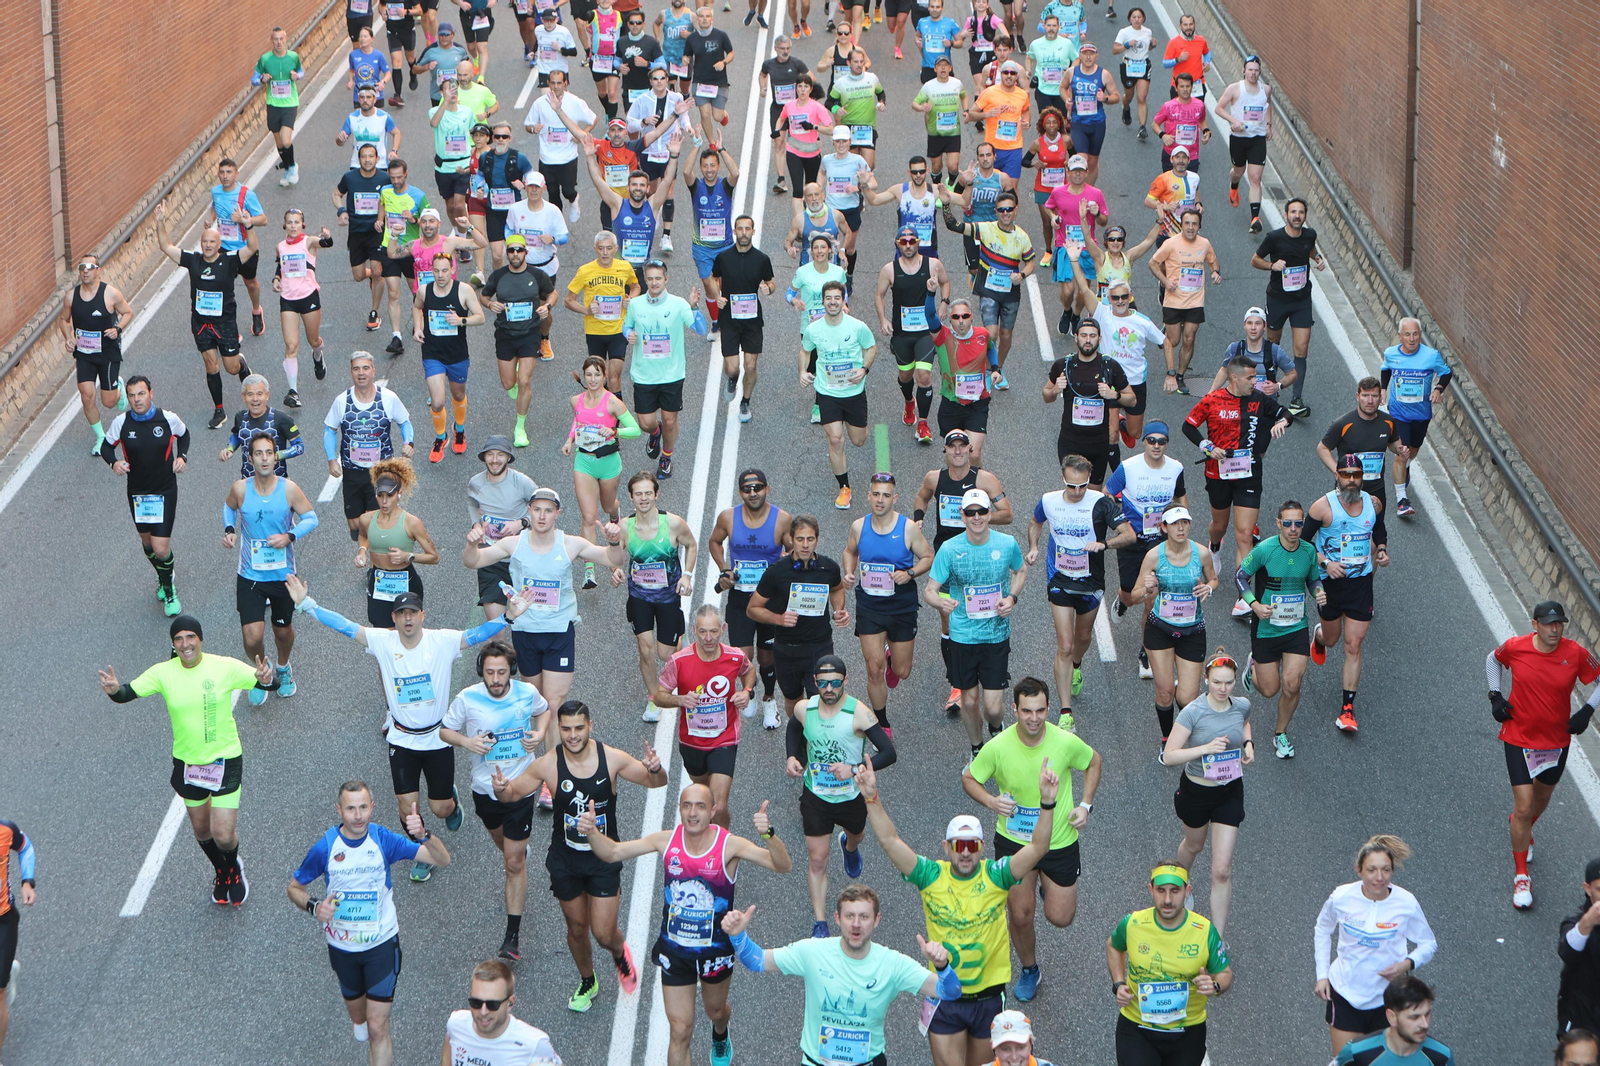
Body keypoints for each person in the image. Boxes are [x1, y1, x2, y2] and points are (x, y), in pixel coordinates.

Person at [287, 576, 518, 874]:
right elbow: (345, 626)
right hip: (402, 739)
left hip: (437, 738)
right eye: (401, 614)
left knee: (441, 808)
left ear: (422, 615)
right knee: (408, 808)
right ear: (394, 619)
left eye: (413, 612)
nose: (407, 618)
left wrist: (508, 617)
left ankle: (450, 799)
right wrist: (307, 604)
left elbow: (477, 635)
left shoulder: (442, 641)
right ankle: (422, 852)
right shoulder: (382, 641)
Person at [863, 757, 1057, 1064]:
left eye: (972, 845)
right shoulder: (930, 875)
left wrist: (1047, 803)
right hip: (944, 996)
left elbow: (1038, 848)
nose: (965, 853)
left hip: (987, 997)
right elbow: (889, 841)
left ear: (982, 847)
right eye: (958, 845)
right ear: (946, 847)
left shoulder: (997, 874)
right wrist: (871, 797)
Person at [583, 785, 791, 1066]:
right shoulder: (667, 840)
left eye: (700, 806)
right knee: (680, 1030)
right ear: (680, 809)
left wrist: (768, 834)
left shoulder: (730, 846)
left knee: (715, 1011)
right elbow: (613, 852)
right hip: (675, 951)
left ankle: (720, 1031)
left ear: (713, 810)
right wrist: (592, 833)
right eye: (687, 806)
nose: (693, 813)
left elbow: (783, 865)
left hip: (715, 952)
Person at [490, 700, 668, 1010]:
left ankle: (618, 952)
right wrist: (500, 788)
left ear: (590, 726)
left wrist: (656, 769)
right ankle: (588, 980)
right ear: (559, 729)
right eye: (566, 729)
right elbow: (513, 793)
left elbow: (657, 782)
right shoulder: (548, 764)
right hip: (566, 859)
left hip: (604, 857)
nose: (573, 735)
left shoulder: (611, 758)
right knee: (576, 927)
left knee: (603, 933)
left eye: (579, 728)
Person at [98, 614, 278, 905]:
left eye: (190, 637)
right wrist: (114, 691)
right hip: (188, 764)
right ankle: (223, 870)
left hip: (225, 760)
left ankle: (234, 868)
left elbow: (268, 682)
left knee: (223, 833)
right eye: (179, 639)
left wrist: (267, 679)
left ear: (200, 639)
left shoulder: (223, 667)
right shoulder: (163, 672)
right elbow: (127, 693)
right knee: (202, 831)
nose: (185, 644)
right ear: (174, 644)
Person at [288, 780, 451, 1064]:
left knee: (377, 1027)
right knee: (360, 1018)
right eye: (351, 809)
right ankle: (359, 1020)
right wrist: (314, 907)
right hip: (343, 948)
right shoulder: (326, 847)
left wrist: (424, 835)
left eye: (363, 807)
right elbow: (294, 888)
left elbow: (442, 859)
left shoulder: (383, 839)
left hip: (382, 944)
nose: (358, 815)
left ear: (372, 808)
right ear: (339, 810)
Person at [962, 677, 1100, 1002]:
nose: (1033, 718)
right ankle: (1029, 969)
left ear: (1049, 709)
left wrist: (1085, 805)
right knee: (1020, 914)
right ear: (1015, 709)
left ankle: (1045, 884)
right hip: (1014, 841)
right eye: (1026, 711)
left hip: (1058, 840)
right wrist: (991, 802)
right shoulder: (998, 747)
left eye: (1039, 711)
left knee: (1060, 917)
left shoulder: (1064, 742)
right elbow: (969, 778)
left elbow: (1094, 761)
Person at [720, 885, 965, 1065]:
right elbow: (756, 961)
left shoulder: (893, 963)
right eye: (849, 916)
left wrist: (942, 966)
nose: (856, 924)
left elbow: (950, 992)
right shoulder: (812, 952)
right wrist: (738, 935)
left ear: (876, 920)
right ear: (837, 919)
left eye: (864, 917)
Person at [465, 488, 624, 712]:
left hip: (558, 632)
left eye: (548, 511)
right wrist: (472, 545)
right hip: (525, 632)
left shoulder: (571, 544)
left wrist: (614, 543)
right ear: (529, 510)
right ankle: (540, 736)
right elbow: (473, 561)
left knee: (554, 703)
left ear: (557, 513)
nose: (541, 516)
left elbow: (612, 559)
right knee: (537, 704)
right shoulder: (513, 544)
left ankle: (553, 736)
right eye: (537, 510)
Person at [440, 641, 551, 960]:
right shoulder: (468, 698)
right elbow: (445, 731)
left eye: (502, 672)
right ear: (481, 672)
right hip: (484, 789)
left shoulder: (526, 693)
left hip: (521, 786)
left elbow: (544, 711)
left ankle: (511, 938)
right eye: (490, 672)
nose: (496, 679)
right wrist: (467, 742)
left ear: (511, 670)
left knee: (513, 862)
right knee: (502, 844)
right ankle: (517, 849)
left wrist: (539, 734)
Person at [1488, 600, 1600, 909]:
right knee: (1524, 807)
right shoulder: (1516, 647)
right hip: (1518, 735)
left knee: (1542, 798)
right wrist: (1495, 695)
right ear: (1535, 624)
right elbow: (1492, 659)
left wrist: (1587, 710)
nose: (1555, 629)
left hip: (1555, 741)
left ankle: (1523, 826)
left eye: (1560, 623)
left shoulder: (1576, 653)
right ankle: (1521, 876)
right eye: (1549, 623)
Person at [786, 654, 897, 939]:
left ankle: (849, 846)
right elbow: (794, 727)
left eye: (835, 683)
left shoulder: (858, 713)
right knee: (817, 859)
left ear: (845, 681)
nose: (829, 689)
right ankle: (821, 923)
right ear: (815, 682)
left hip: (850, 795)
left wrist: (854, 768)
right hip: (816, 795)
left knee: (857, 834)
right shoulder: (805, 708)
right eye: (823, 683)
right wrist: (792, 756)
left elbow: (888, 753)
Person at [1028, 454, 1135, 726]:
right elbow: (1035, 521)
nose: (1077, 492)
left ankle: (1077, 663)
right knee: (1064, 645)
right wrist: (1034, 547)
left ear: (1089, 481)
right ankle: (1066, 713)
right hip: (1060, 579)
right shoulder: (1049, 500)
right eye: (1071, 486)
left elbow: (1129, 534)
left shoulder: (1101, 502)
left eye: (1082, 486)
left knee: (1082, 638)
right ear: (1062, 479)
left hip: (1091, 582)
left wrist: (1105, 544)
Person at [913, 431, 1014, 715]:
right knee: (949, 621)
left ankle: (987, 670)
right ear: (945, 450)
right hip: (948, 561)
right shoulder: (934, 478)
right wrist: (918, 518)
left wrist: (977, 518)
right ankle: (958, 685)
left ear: (970, 449)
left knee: (980, 615)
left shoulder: (985, 480)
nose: (957, 452)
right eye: (952, 447)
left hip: (979, 559)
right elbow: (921, 497)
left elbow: (1007, 513)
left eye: (962, 447)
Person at [1182, 353, 1289, 617]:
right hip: (1218, 474)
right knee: (1219, 526)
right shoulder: (1212, 400)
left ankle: (1244, 597)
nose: (1255, 382)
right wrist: (1207, 446)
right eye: (1250, 378)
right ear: (1234, 378)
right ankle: (1214, 546)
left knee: (1244, 534)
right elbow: (1188, 426)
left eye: (1256, 377)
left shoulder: (1258, 399)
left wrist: (1283, 422)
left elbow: (1285, 413)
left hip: (1248, 474)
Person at [1314, 834, 1436, 1056]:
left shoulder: (1406, 903)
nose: (1379, 877)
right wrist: (1322, 975)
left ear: (1392, 871)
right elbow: (1323, 929)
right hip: (1345, 995)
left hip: (1388, 1000)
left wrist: (1406, 964)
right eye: (1371, 870)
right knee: (1346, 1061)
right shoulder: (1341, 897)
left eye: (1386, 870)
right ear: (1359, 870)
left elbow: (1428, 943)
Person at [928, 488, 1029, 755]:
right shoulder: (950, 549)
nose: (976, 517)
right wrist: (940, 602)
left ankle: (996, 728)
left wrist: (1011, 597)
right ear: (962, 515)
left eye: (982, 511)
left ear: (989, 514)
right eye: (971, 513)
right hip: (962, 636)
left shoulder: (1007, 544)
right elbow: (929, 590)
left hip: (996, 635)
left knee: (993, 707)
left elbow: (1020, 570)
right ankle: (977, 749)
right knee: (970, 702)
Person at [1108, 862, 1233, 1066]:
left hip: (1187, 1033)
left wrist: (1215, 985)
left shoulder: (1204, 930)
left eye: (1175, 891)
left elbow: (1225, 973)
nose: (1167, 900)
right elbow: (1114, 946)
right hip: (1137, 1028)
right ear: (1151, 890)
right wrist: (1118, 983)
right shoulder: (1133, 923)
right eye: (1161, 891)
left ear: (1187, 891)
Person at [224, 433, 319, 700]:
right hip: (250, 575)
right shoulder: (240, 489)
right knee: (252, 637)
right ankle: (262, 674)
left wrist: (289, 536)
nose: (264, 458)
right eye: (258, 453)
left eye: (269, 453)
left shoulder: (289, 489)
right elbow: (229, 508)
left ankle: (283, 666)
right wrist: (229, 529)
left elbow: (311, 518)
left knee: (282, 630)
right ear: (250, 458)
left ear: (276, 457)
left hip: (282, 576)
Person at [1161, 649, 1249, 935]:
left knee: (1222, 871)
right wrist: (1205, 749)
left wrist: (1248, 744)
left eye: (1229, 683)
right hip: (1196, 792)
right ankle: (1180, 884)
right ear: (1206, 680)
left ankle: (1217, 941)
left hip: (1229, 791)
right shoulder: (1193, 712)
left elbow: (1244, 722)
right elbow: (1169, 755)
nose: (1223, 689)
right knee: (1194, 845)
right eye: (1217, 682)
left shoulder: (1242, 705)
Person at [841, 472, 933, 732]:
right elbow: (849, 551)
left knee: (903, 671)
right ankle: (881, 724)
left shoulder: (908, 528)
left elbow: (928, 557)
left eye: (886, 495)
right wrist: (848, 572)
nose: (880, 500)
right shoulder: (859, 526)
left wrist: (910, 573)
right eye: (876, 494)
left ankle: (893, 660)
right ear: (868, 496)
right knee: (873, 669)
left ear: (895, 498)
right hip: (869, 606)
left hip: (901, 606)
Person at [1306, 455, 1390, 735]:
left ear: (1362, 477)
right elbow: (1302, 543)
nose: (1351, 480)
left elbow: (1378, 530)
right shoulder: (1322, 507)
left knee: (1353, 645)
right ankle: (1320, 637)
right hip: (1330, 584)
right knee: (1332, 640)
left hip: (1360, 584)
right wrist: (1325, 564)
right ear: (1337, 476)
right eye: (1346, 474)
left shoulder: (1373, 504)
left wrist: (1381, 550)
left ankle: (1347, 709)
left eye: (1356, 474)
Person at [1236, 499, 1326, 760]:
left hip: (1296, 626)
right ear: (1278, 524)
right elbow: (1240, 576)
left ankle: (1281, 733)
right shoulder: (1265, 550)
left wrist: (1319, 592)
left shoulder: (1308, 551)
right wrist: (1254, 605)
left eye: (1298, 523)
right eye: (1288, 523)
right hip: (1266, 628)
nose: (1293, 528)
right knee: (1269, 690)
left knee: (1292, 684)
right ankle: (1253, 668)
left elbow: (1313, 579)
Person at [155, 201, 257, 429]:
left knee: (231, 368)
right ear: (200, 244)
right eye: (205, 242)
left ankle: (240, 363)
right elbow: (165, 246)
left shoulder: (229, 260)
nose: (208, 245)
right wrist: (160, 221)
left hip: (225, 323)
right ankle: (219, 410)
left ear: (219, 244)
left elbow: (251, 248)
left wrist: (248, 226)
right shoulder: (193, 260)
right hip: (201, 324)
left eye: (212, 242)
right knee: (211, 365)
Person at [655, 605, 757, 821]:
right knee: (704, 798)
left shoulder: (735, 656)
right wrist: (680, 700)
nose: (708, 638)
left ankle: (721, 843)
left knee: (718, 805)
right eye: (702, 632)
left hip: (724, 738)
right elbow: (659, 696)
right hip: (692, 741)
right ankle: (705, 835)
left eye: (713, 631)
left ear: (723, 629)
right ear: (694, 630)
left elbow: (749, 670)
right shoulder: (679, 661)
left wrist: (747, 691)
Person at [101, 376, 190, 615]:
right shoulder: (122, 422)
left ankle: (170, 591)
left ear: (151, 393)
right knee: (148, 544)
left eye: (141, 394)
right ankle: (163, 575)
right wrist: (114, 463)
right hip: (138, 493)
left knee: (160, 548)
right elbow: (106, 447)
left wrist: (182, 457)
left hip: (165, 490)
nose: (137, 400)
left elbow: (184, 435)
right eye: (131, 395)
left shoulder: (168, 419)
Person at [710, 471, 792, 727]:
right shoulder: (728, 517)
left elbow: (793, 549)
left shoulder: (782, 519)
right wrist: (724, 569)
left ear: (767, 489)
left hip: (770, 600)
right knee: (742, 657)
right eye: (747, 489)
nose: (753, 493)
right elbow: (715, 541)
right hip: (740, 598)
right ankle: (750, 691)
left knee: (767, 657)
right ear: (740, 492)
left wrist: (784, 562)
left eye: (758, 487)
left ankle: (769, 699)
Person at [614, 471, 697, 721]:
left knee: (665, 654)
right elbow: (614, 554)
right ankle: (653, 698)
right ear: (630, 497)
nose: (643, 498)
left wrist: (687, 575)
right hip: (639, 596)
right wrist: (615, 570)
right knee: (645, 649)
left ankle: (680, 641)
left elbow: (691, 544)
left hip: (668, 596)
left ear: (656, 494)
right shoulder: (624, 527)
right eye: (638, 494)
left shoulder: (673, 523)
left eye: (648, 493)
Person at [747, 516, 848, 719]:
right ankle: (797, 735)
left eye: (810, 539)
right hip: (787, 649)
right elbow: (752, 609)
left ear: (817, 540)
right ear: (791, 540)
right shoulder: (776, 572)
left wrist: (839, 609)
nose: (805, 545)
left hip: (819, 646)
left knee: (820, 701)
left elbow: (837, 588)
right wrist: (779, 619)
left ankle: (816, 738)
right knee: (793, 701)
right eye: (800, 539)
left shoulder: (829, 568)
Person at [1135, 507, 1218, 736]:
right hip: (1160, 629)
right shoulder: (1154, 556)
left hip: (1192, 630)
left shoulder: (1201, 553)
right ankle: (1167, 739)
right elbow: (1134, 594)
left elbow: (1214, 579)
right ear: (1163, 527)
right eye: (1174, 523)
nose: (1180, 528)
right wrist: (1147, 589)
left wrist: (1208, 588)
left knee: (1187, 697)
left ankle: (1183, 731)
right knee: (1165, 693)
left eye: (1185, 522)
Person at [622, 258, 708, 478]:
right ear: (645, 280)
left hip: (672, 374)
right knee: (645, 423)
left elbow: (701, 329)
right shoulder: (635, 304)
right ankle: (655, 432)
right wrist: (629, 334)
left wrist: (694, 307)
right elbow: (627, 326)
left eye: (658, 278)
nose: (654, 283)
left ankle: (666, 457)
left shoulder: (678, 304)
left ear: (666, 279)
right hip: (644, 375)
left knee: (670, 420)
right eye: (650, 278)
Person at [559, 358, 640, 588]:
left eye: (597, 374)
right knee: (588, 517)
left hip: (608, 464)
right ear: (584, 377)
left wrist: (614, 431)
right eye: (589, 374)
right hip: (584, 462)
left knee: (607, 506)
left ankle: (615, 514)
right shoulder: (576, 400)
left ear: (605, 376)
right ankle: (589, 570)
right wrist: (569, 440)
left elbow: (635, 430)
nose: (593, 379)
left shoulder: (612, 402)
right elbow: (578, 421)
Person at [870, 223, 950, 443]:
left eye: (911, 241)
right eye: (903, 242)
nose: (908, 245)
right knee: (905, 376)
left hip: (926, 332)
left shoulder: (933, 264)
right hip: (902, 333)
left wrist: (944, 303)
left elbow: (945, 282)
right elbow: (879, 295)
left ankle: (923, 424)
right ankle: (908, 401)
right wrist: (883, 319)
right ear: (897, 244)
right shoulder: (889, 270)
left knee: (924, 376)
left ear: (918, 242)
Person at [942, 189, 1034, 382]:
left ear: (1016, 210)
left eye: (1009, 209)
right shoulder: (985, 228)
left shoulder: (1022, 237)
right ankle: (985, 368)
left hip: (1010, 294)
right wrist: (945, 204)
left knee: (1006, 335)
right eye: (1001, 210)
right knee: (991, 334)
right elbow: (953, 225)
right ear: (996, 211)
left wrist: (1022, 275)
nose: (1005, 213)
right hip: (989, 292)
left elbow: (1031, 262)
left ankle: (998, 369)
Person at [801, 280, 878, 509]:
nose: (832, 302)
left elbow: (871, 347)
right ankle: (844, 488)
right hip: (827, 393)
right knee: (835, 439)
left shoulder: (857, 327)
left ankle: (855, 426)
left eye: (837, 298)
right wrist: (802, 372)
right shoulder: (814, 329)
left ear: (843, 301)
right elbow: (805, 351)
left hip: (853, 392)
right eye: (828, 298)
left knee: (858, 440)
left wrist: (864, 369)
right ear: (823, 301)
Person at [1104, 422, 1188, 634]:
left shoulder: (1176, 468)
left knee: (1153, 597)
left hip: (1161, 540)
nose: (1156, 445)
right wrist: (1120, 523)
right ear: (1144, 442)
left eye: (1161, 441)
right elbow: (1107, 494)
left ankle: (1147, 647)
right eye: (1152, 440)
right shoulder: (1128, 467)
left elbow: (1180, 495)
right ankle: (1122, 601)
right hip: (1132, 539)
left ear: (1167, 443)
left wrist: (1182, 521)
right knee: (1130, 596)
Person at [323, 351, 415, 542]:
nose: (361, 373)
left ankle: (374, 556)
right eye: (356, 369)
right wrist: (332, 460)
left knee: (377, 523)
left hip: (381, 471)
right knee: (355, 526)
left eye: (365, 368)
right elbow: (330, 430)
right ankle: (366, 547)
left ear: (373, 371)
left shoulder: (388, 398)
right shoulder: (342, 401)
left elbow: (405, 422)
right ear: (351, 372)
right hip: (352, 471)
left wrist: (408, 443)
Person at [481, 235, 560, 444]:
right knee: (509, 384)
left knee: (525, 381)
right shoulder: (498, 276)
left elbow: (553, 294)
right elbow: (484, 296)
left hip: (529, 333)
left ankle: (520, 428)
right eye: (511, 250)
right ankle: (513, 380)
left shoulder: (537, 275)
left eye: (519, 250)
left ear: (526, 252)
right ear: (507, 254)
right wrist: (490, 304)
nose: (515, 254)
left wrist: (547, 306)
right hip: (505, 334)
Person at [1251, 196, 1323, 419]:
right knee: (1273, 346)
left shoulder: (1309, 235)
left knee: (1301, 349)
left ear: (1305, 216)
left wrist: (1318, 258)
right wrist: (1272, 265)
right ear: (1286, 215)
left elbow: (1310, 248)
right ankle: (1269, 393)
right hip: (1278, 300)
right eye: (1293, 212)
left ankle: (1296, 400)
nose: (1297, 216)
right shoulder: (1274, 238)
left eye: (1301, 212)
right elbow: (1255, 260)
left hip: (1301, 300)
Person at [413, 248, 487, 461]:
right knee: (437, 402)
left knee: (458, 395)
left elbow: (480, 317)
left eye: (444, 271)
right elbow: (417, 308)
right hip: (432, 353)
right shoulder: (424, 291)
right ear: (432, 271)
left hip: (457, 354)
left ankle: (459, 429)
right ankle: (440, 437)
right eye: (436, 271)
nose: (440, 275)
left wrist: (461, 320)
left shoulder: (464, 290)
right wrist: (418, 327)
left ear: (452, 270)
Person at [1043, 319, 1134, 488]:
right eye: (1084, 335)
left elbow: (1132, 399)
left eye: (1092, 336)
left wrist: (1114, 394)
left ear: (1100, 338)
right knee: (1074, 489)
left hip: (1099, 443)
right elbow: (1046, 396)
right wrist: (1055, 390)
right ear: (1076, 337)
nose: (1088, 340)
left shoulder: (1110, 366)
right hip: (1070, 441)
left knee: (1094, 493)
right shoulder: (1063, 365)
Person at [351, 458, 439, 626]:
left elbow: (434, 557)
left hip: (405, 581)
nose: (384, 502)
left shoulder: (412, 522)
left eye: (390, 496)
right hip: (379, 581)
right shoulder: (366, 519)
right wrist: (362, 551)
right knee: (380, 629)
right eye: (380, 496)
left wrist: (408, 556)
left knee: (406, 630)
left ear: (399, 493)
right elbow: (363, 536)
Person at [1380, 318, 1452, 518]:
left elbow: (1446, 373)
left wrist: (1438, 389)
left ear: (1420, 335)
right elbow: (1386, 369)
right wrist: (1384, 389)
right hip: (1398, 413)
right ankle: (1402, 500)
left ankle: (1406, 467)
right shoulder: (1391, 353)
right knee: (1401, 453)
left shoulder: (1431, 355)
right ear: (1400, 336)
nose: (1412, 339)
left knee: (1413, 450)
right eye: (1407, 335)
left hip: (1421, 414)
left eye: (1415, 334)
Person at [711, 217, 779, 423]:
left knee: (751, 366)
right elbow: (713, 278)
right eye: (740, 229)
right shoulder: (723, 257)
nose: (743, 232)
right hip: (729, 319)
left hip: (752, 321)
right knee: (732, 367)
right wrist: (717, 296)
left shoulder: (762, 259)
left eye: (747, 229)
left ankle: (745, 402)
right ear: (734, 232)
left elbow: (771, 281)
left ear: (753, 232)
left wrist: (769, 289)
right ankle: (732, 379)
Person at [65, 254, 132, 455]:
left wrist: (118, 329)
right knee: (86, 396)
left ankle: (117, 387)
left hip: (108, 354)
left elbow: (128, 312)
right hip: (84, 353)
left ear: (98, 270)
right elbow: (64, 320)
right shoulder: (71, 296)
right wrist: (69, 337)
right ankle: (101, 437)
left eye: (90, 267)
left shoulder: (110, 294)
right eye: (82, 267)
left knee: (109, 402)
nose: (85, 271)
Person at [466, 435, 539, 620]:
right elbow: (472, 503)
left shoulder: (522, 482)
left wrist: (521, 523)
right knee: (496, 626)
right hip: (491, 559)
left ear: (508, 458)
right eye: (490, 454)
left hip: (521, 559)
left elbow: (542, 509)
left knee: (525, 622)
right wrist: (476, 524)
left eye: (500, 455)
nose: (495, 460)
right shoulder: (476, 482)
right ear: (484, 457)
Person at [1149, 207, 1220, 392]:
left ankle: (1178, 375)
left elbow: (1212, 260)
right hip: (1173, 300)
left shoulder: (1204, 244)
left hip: (1195, 300)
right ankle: (1169, 362)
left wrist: (1215, 272)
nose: (1190, 227)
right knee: (1173, 340)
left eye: (1194, 224)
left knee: (1189, 337)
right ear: (1181, 225)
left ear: (1199, 226)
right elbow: (1153, 263)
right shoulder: (1171, 243)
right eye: (1187, 223)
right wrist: (1165, 281)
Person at [502, 173, 571, 361]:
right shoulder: (515, 209)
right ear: (525, 187)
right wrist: (511, 241)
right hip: (521, 268)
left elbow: (564, 237)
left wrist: (553, 239)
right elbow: (508, 228)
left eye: (537, 187)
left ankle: (544, 338)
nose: (533, 190)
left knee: (543, 309)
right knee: (520, 306)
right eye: (530, 186)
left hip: (545, 268)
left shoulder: (552, 211)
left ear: (544, 188)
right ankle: (521, 341)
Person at [564, 231, 641, 396]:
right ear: (595, 249)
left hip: (618, 330)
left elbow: (635, 287)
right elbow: (568, 300)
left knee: (614, 377)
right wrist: (586, 310)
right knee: (599, 379)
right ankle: (602, 409)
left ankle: (618, 412)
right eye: (601, 248)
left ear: (616, 249)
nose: (605, 253)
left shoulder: (625, 267)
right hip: (595, 331)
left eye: (609, 248)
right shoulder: (585, 271)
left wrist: (631, 299)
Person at [272, 209, 336, 407]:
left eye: (296, 222)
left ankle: (318, 355)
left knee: (313, 340)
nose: (293, 226)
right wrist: (276, 278)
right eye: (290, 222)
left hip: (308, 296)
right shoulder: (280, 246)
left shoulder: (309, 242)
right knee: (291, 346)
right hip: (288, 299)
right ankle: (293, 392)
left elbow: (326, 243)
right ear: (284, 225)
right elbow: (280, 266)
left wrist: (327, 237)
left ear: (303, 224)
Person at [443, 959, 564, 1064]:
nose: (483, 1012)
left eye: (492, 1005)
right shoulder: (456, 1025)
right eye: (476, 1003)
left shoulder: (534, 1045)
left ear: (510, 1003)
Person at [929, 298, 1002, 461]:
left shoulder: (982, 334)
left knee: (973, 453)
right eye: (956, 317)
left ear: (971, 317)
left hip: (977, 404)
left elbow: (990, 348)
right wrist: (930, 293)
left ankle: (976, 478)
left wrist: (995, 369)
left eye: (965, 316)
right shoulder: (942, 336)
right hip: (951, 405)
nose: (961, 320)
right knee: (954, 457)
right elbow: (930, 316)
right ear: (950, 320)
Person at [1045, 159, 1111, 334]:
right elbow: (1049, 207)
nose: (1078, 174)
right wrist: (1053, 217)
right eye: (1074, 171)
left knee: (1084, 291)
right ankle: (1066, 311)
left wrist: (1097, 214)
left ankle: (1076, 315)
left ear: (1087, 172)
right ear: (1068, 172)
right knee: (1068, 291)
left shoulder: (1096, 194)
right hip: (1065, 245)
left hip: (1087, 248)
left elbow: (1104, 222)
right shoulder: (1058, 192)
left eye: (1081, 171)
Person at [1333, 975, 1456, 1066]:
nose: (1425, 1024)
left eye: (1427, 1014)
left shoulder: (1442, 1058)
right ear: (1392, 1017)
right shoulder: (1356, 1053)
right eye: (1414, 1017)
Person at [376, 158, 432, 356]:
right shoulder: (385, 191)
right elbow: (382, 205)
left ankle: (424, 324)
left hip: (410, 250)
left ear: (406, 174)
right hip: (389, 247)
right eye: (392, 177)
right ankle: (396, 336)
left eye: (399, 177)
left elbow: (429, 221)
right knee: (393, 293)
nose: (396, 181)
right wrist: (379, 220)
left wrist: (414, 220)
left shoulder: (418, 195)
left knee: (417, 292)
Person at [525, 69, 598, 218]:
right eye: (553, 83)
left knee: (567, 191)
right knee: (552, 194)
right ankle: (557, 221)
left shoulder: (575, 102)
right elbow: (528, 124)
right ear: (548, 83)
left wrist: (580, 134)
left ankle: (573, 199)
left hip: (568, 156)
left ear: (565, 83)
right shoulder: (540, 103)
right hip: (547, 157)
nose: (556, 86)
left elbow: (593, 119)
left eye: (559, 83)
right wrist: (533, 128)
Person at [336, 145, 393, 335]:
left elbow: (392, 199)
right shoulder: (349, 178)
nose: (367, 160)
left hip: (377, 232)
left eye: (371, 156)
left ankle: (374, 312)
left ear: (377, 159)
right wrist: (341, 211)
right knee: (358, 275)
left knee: (378, 271)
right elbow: (336, 194)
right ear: (358, 159)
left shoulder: (385, 179)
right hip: (356, 233)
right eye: (364, 156)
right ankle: (371, 277)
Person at [1212, 57, 1272, 232]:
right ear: (1244, 71)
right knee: (1238, 171)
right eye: (1250, 70)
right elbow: (1218, 108)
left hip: (1257, 139)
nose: (1253, 73)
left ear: (1259, 72)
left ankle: (1255, 218)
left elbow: (1268, 106)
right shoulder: (1235, 88)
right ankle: (1234, 186)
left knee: (1255, 178)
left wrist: (1268, 125)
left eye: (1256, 70)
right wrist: (1234, 121)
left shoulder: (1266, 89)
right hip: (1238, 138)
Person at [1317, 377, 1397, 505]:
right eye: (1365, 395)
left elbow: (1393, 443)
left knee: (1377, 518)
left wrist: (1400, 449)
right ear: (1357, 396)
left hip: (1376, 489)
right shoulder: (1343, 423)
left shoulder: (1388, 422)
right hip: (1349, 488)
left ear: (1380, 397)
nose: (1370, 401)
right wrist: (1337, 471)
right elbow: (1322, 448)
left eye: (1374, 396)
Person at [0, 818, 37, 1063]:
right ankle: (7, 973)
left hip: (2, 920)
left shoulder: (5, 830)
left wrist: (27, 882)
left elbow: (25, 847)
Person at [221, 374, 305, 478]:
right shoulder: (240, 417)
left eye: (259, 394)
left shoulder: (280, 418)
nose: (255, 399)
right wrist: (229, 449)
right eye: (250, 394)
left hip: (277, 482)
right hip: (248, 481)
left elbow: (299, 447)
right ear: (243, 397)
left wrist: (277, 455)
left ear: (267, 395)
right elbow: (237, 435)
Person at [252, 27, 305, 187]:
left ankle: (292, 166)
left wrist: (297, 76)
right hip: (273, 104)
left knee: (286, 140)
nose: (279, 42)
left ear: (286, 39)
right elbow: (254, 79)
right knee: (280, 144)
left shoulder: (293, 57)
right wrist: (262, 80)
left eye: (281, 39)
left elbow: (301, 71)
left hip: (289, 103)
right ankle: (287, 168)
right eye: (275, 39)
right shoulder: (265, 59)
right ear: (271, 41)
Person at [1207, 305, 1296, 397]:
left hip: (1265, 402)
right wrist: (1210, 394)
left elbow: (1292, 374)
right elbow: (1224, 371)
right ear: (1244, 325)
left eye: (1258, 323)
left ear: (1265, 326)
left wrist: (1278, 386)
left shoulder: (1274, 350)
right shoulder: (1234, 349)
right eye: (1249, 323)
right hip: (1239, 401)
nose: (1253, 327)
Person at [1065, 42, 1118, 185]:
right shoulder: (1071, 72)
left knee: (1093, 162)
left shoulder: (1104, 74)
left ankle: (1089, 191)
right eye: (1085, 54)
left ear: (1096, 56)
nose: (1088, 57)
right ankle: (1078, 190)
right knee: (1082, 159)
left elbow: (1116, 96)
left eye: (1091, 54)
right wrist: (1067, 100)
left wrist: (1105, 98)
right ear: (1080, 56)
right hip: (1078, 123)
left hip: (1097, 123)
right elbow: (1063, 87)